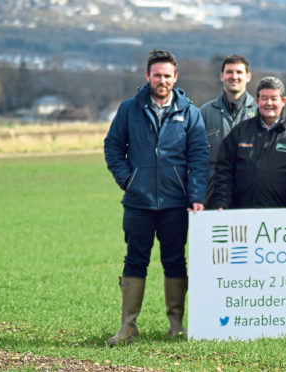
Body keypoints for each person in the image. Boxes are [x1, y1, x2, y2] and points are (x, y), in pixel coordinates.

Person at [104, 49, 209, 346]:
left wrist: (196, 195)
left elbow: (199, 157)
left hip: (176, 203)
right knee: (135, 261)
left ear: (175, 78)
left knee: (175, 261)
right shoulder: (129, 109)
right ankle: (127, 326)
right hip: (138, 202)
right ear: (147, 76)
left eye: (167, 75)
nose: (161, 80)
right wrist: (128, 180)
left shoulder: (190, 113)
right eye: (156, 75)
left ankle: (176, 325)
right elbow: (112, 147)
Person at [212, 76, 286, 209]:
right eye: (264, 98)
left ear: (283, 101)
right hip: (241, 211)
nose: (269, 103)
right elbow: (224, 170)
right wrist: (222, 201)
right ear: (257, 101)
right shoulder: (240, 131)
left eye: (274, 98)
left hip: (282, 215)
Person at [200, 54, 257, 208]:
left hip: (249, 196)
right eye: (229, 72)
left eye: (239, 72)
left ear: (248, 77)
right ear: (222, 76)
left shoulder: (260, 112)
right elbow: (194, 156)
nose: (234, 77)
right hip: (212, 195)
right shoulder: (205, 112)